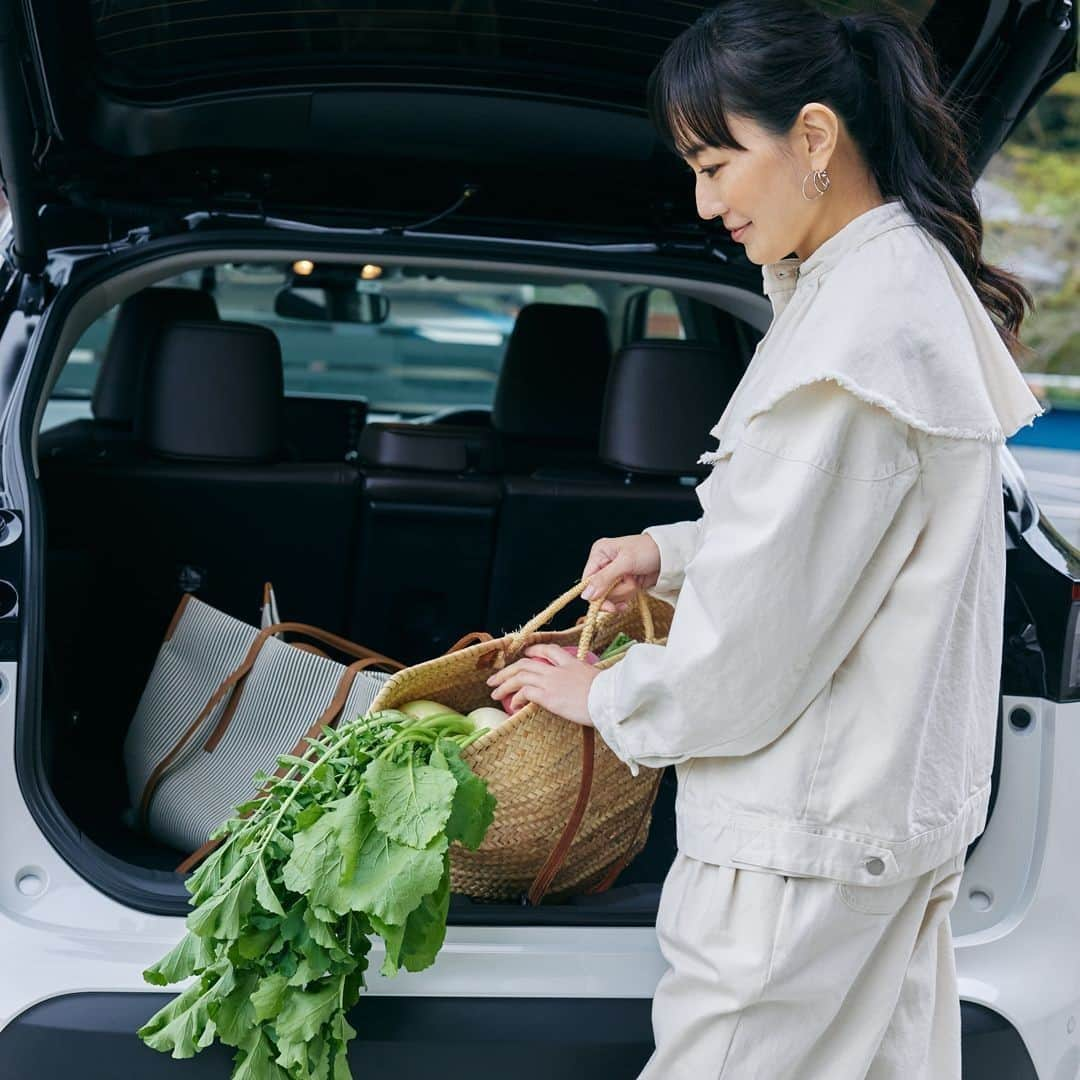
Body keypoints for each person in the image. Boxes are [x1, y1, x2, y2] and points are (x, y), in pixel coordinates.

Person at [485, 2, 1044, 1076]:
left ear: (817, 138)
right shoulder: (888, 291)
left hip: (803, 843)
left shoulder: (854, 332)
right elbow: (833, 536)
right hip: (872, 831)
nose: (705, 203)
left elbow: (756, 641)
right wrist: (670, 551)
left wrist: (602, 695)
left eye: (717, 162)